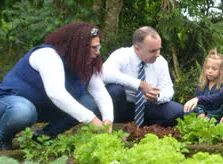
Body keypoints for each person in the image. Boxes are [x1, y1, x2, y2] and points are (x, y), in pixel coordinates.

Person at [0, 22, 113, 150]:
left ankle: (44, 136)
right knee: (23, 112)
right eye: (94, 47)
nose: (98, 52)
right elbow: (57, 94)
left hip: (43, 108)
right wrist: (92, 119)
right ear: (78, 47)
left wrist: (108, 120)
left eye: (99, 47)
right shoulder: (48, 55)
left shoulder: (86, 63)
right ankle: (3, 137)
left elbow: (101, 94)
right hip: (10, 104)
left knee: (89, 102)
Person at [103, 26, 184, 127]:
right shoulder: (122, 55)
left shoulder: (161, 62)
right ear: (137, 48)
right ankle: (115, 126)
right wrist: (139, 84)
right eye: (153, 51)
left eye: (159, 49)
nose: (158, 54)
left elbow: (168, 88)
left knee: (179, 111)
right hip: (123, 106)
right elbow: (105, 73)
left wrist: (158, 97)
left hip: (148, 105)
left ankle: (149, 130)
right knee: (114, 90)